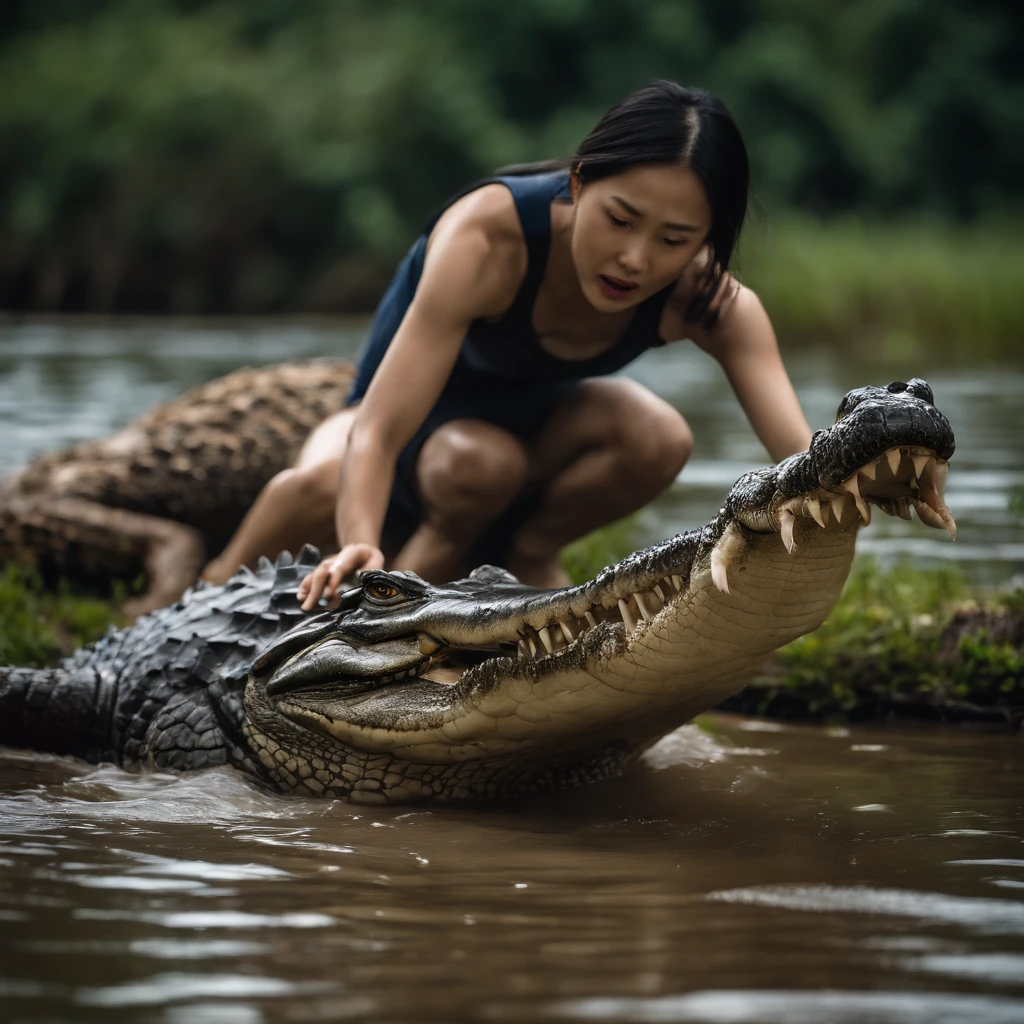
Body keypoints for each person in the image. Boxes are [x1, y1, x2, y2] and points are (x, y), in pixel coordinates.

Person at [202, 80, 812, 610]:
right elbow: (379, 430)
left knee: (662, 436)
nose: (635, 259)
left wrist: (887, 471)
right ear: (578, 182)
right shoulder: (486, 238)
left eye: (674, 239)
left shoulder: (706, 300)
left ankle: (524, 555)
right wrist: (360, 537)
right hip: (401, 423)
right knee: (442, 469)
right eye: (620, 219)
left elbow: (804, 456)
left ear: (707, 238)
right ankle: (228, 581)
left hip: (531, 431)